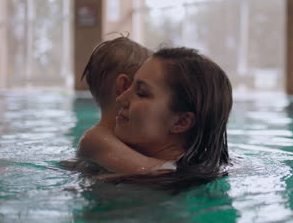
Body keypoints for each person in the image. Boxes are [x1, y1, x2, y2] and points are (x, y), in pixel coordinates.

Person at [103, 47, 233, 190]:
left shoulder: (151, 191)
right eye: (131, 86)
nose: (120, 98)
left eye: (141, 93)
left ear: (181, 122)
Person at [76, 36, 168, 174]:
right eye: (142, 88)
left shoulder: (129, 138)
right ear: (124, 86)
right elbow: (153, 170)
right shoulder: (96, 139)